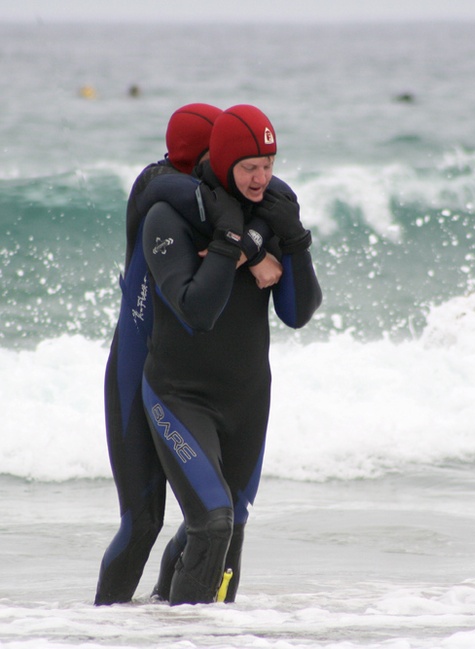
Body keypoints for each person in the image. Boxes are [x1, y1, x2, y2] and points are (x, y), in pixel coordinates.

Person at [140, 104, 322, 605]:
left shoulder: (271, 212)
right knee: (213, 520)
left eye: (269, 164)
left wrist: (297, 241)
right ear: (223, 163)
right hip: (179, 395)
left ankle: (164, 624)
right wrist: (231, 244)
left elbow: (298, 312)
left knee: (231, 524)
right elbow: (197, 311)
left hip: (246, 399)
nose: (262, 177)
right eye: (249, 168)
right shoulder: (168, 217)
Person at [95, 103, 223, 605]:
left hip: (181, 376)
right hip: (133, 372)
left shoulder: (201, 190)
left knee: (203, 518)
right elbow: (187, 197)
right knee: (142, 522)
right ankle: (97, 630)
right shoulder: (158, 187)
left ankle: (164, 625)